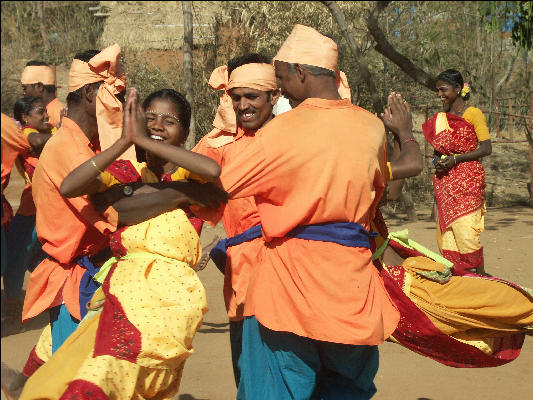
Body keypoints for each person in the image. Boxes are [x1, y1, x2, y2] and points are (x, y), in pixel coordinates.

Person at [211, 24, 399, 399]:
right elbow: (379, 194)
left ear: (299, 73)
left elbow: (226, 183)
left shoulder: (280, 132)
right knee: (347, 386)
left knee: (276, 386)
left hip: (288, 284)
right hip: (351, 283)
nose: (282, 87)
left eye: (281, 77)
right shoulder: (371, 127)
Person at [19, 87, 222, 400]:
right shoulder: (126, 174)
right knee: (98, 372)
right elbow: (71, 185)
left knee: (136, 378)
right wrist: (126, 143)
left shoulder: (190, 173)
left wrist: (138, 192)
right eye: (149, 118)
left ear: (184, 133)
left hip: (171, 299)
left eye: (170, 121)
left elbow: (212, 169)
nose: (157, 125)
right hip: (123, 293)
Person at [192, 53, 280, 385]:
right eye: (235, 96)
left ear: (274, 96)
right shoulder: (219, 144)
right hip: (241, 270)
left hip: (287, 264)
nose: (243, 105)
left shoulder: (291, 137)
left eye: (252, 96)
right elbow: (192, 195)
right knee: (247, 370)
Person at [422, 69, 492, 275]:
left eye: (443, 90)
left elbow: (486, 148)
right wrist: (438, 162)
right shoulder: (441, 118)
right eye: (437, 90)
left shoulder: (473, 114)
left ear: (458, 89)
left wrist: (456, 159)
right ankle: (461, 281)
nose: (439, 94)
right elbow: (437, 152)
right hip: (446, 185)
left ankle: (479, 278)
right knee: (448, 236)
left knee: (468, 235)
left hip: (468, 182)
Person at [2, 97, 57, 321]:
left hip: (51, 208)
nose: (45, 115)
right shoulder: (23, 134)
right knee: (17, 257)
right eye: (39, 112)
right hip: (32, 207)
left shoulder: (53, 130)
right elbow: (36, 141)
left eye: (46, 111)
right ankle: (14, 306)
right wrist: (63, 133)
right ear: (25, 118)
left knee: (35, 256)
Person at [21, 60, 64, 127]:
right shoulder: (57, 111)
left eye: (25, 88)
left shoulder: (58, 115)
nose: (23, 93)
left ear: (39, 87)